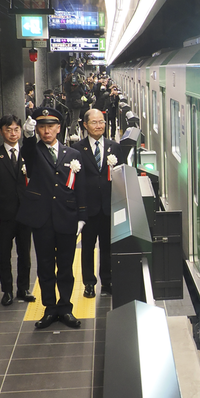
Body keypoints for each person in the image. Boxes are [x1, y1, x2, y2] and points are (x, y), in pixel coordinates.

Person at [17, 107, 87, 329]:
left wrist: (82, 216)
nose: (46, 131)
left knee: (66, 267)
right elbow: (27, 150)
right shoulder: (33, 151)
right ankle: (49, 308)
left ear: (58, 128)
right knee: (46, 266)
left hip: (66, 218)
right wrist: (28, 136)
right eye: (41, 127)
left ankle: (66, 307)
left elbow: (81, 188)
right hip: (42, 220)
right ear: (36, 129)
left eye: (50, 126)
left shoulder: (73, 155)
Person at [0, 115, 36, 306]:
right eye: (8, 130)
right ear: (1, 131)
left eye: (16, 129)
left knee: (25, 253)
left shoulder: (27, 154)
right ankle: (7, 290)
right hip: (4, 214)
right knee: (4, 254)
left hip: (25, 214)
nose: (13, 133)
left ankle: (23, 288)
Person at [72, 109, 119, 298]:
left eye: (102, 122)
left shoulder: (114, 147)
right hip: (87, 208)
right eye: (94, 122)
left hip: (109, 207)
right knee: (88, 247)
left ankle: (107, 281)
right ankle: (89, 283)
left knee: (108, 247)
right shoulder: (77, 149)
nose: (99, 125)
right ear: (85, 125)